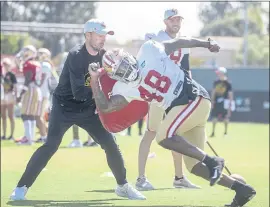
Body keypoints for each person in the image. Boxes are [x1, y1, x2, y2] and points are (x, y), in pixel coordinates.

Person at [88, 37, 256, 206]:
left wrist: (206, 44)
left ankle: (213, 161)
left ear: (129, 56)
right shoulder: (124, 88)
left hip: (192, 97)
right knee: (195, 167)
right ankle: (242, 190)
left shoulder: (149, 50)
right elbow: (106, 106)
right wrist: (95, 80)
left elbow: (178, 43)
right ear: (115, 76)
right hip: (184, 111)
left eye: (125, 63)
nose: (126, 70)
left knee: (163, 136)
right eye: (120, 70)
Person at [10, 19, 145, 200]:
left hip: (88, 110)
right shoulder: (75, 55)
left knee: (110, 144)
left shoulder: (105, 57)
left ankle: (123, 186)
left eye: (105, 35)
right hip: (64, 108)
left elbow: (109, 86)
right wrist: (96, 82)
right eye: (99, 35)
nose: (103, 39)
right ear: (88, 35)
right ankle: (21, 188)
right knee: (50, 146)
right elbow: (80, 93)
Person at [137, 8, 199, 190]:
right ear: (165, 22)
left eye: (178, 19)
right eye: (172, 20)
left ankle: (179, 178)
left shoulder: (184, 41)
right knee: (150, 132)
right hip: (158, 92)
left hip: (175, 93)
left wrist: (190, 88)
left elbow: (185, 68)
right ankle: (141, 179)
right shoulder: (155, 38)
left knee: (176, 134)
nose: (176, 22)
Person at [15, 45, 42, 145]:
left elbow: (28, 79)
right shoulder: (36, 63)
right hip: (36, 89)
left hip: (30, 89)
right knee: (31, 115)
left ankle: (28, 139)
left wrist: (20, 94)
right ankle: (29, 138)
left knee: (25, 114)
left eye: (26, 51)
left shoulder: (29, 64)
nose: (24, 53)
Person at [35, 48, 53, 143]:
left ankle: (44, 137)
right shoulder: (41, 64)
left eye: (41, 53)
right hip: (41, 94)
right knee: (38, 116)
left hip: (42, 94)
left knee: (39, 116)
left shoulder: (45, 65)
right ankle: (46, 135)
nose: (39, 55)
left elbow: (41, 80)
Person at [210, 67, 234, 137]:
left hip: (225, 103)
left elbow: (230, 94)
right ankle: (213, 132)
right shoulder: (216, 82)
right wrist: (212, 101)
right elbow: (213, 92)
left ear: (223, 73)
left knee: (226, 118)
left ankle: (225, 132)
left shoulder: (228, 83)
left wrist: (230, 104)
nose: (218, 74)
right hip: (217, 103)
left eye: (219, 73)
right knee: (214, 117)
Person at [1, 58, 17, 140]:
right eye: (4, 64)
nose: (5, 66)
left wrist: (16, 97)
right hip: (2, 96)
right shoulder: (2, 74)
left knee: (11, 116)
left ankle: (11, 135)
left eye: (7, 64)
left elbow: (15, 86)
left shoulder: (12, 75)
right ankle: (3, 134)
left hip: (10, 95)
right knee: (3, 116)